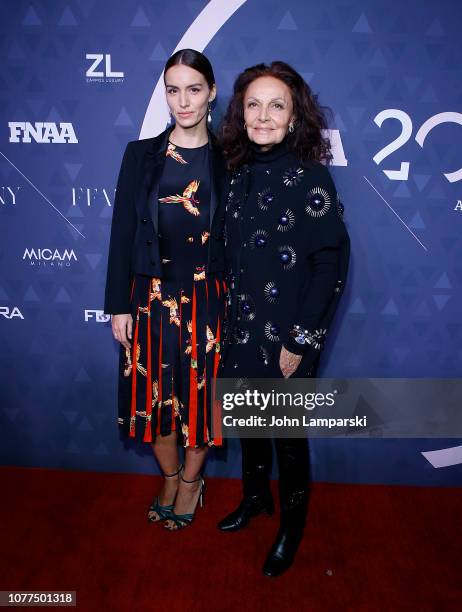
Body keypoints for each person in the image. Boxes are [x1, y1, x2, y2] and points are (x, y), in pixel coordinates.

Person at [217, 61, 350, 576]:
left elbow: (331, 263)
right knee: (250, 425)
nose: (264, 115)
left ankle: (292, 526)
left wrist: (301, 339)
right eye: (254, 104)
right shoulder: (237, 173)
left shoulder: (311, 177)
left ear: (295, 118)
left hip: (288, 338)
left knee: (286, 437)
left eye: (277, 105)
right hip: (241, 329)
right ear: (241, 113)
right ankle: (256, 499)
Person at [104, 49, 226, 531]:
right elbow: (121, 235)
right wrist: (118, 305)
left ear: (211, 92)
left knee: (200, 404)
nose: (183, 101)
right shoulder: (141, 155)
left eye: (193, 89)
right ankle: (172, 476)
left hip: (209, 300)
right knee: (154, 404)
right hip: (149, 299)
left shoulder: (229, 159)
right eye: (173, 90)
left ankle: (193, 484)